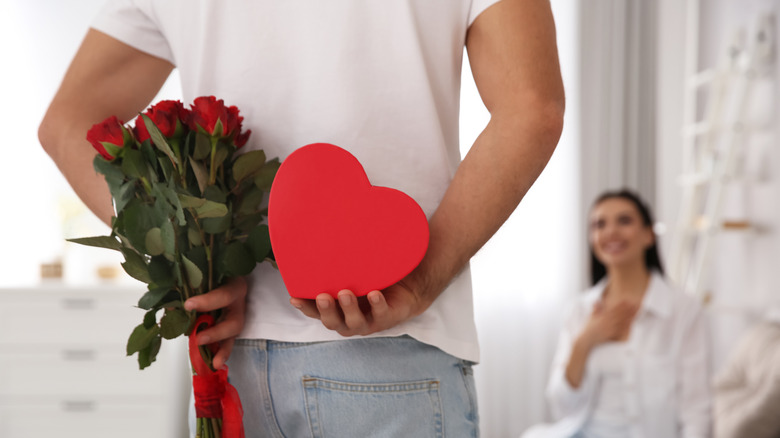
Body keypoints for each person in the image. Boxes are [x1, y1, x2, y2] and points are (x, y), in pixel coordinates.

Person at [38, 0, 565, 436]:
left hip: (231, 366)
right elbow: (532, 107)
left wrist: (190, 257)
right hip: (391, 348)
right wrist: (421, 282)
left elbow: (67, 125)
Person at [522, 190, 712, 438]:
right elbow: (562, 407)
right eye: (600, 224)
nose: (611, 232)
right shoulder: (579, 311)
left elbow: (696, 409)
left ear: (648, 235)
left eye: (624, 221)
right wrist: (584, 341)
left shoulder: (683, 310)